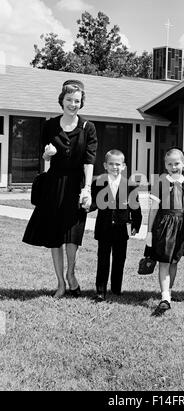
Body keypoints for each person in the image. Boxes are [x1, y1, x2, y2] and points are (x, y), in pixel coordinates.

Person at [23, 79, 98, 299]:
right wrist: (47, 154)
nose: (73, 104)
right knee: (55, 236)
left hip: (76, 186)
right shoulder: (50, 126)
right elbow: (44, 156)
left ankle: (71, 274)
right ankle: (60, 284)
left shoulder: (88, 128)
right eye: (69, 100)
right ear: (61, 100)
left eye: (77, 100)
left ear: (81, 103)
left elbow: (89, 161)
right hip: (54, 185)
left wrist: (87, 189)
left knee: (72, 236)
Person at [146, 147, 184, 316]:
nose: (173, 167)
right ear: (165, 165)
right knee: (164, 261)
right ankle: (165, 298)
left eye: (177, 163)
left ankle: (168, 292)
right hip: (163, 224)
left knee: (174, 261)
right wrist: (149, 232)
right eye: (169, 164)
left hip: (180, 225)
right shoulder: (161, 182)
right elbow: (154, 208)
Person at [91, 149, 142, 301]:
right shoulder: (98, 182)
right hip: (104, 228)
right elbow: (93, 203)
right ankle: (100, 291)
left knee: (119, 259)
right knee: (103, 260)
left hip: (121, 229)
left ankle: (116, 289)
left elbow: (136, 207)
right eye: (111, 164)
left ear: (124, 166)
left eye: (118, 164)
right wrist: (85, 207)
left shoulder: (130, 185)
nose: (115, 167)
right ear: (105, 165)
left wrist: (136, 225)